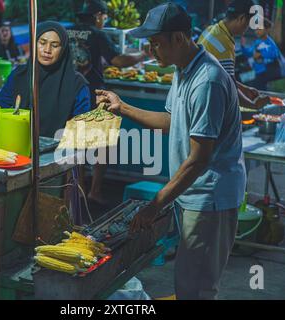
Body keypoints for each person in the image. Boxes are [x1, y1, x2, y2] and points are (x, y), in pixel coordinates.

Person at [96, 3, 246, 300]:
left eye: (155, 44)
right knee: (188, 281)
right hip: (193, 193)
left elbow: (199, 160)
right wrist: (122, 107)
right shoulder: (183, 69)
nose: (151, 51)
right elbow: (171, 121)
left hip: (209, 198)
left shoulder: (207, 81)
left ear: (179, 38)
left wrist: (156, 203)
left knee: (196, 288)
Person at [67, 0, 148, 205]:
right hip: (94, 92)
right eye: (104, 17)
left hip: (71, 92)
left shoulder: (68, 31)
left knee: (77, 144)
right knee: (103, 143)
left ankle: (80, 191)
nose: (104, 21)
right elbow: (118, 60)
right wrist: (143, 55)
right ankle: (94, 191)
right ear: (97, 16)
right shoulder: (97, 33)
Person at [198, 0, 271, 110]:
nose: (247, 29)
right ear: (241, 18)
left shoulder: (213, 30)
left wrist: (244, 89)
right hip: (207, 102)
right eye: (247, 24)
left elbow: (225, 77)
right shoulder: (223, 44)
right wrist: (254, 105)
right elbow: (228, 87)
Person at [241, 17, 281, 90]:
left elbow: (275, 54)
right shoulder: (257, 42)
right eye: (256, 29)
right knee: (241, 80)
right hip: (255, 72)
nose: (257, 31)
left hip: (263, 73)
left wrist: (261, 55)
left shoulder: (270, 43)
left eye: (259, 29)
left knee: (258, 90)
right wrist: (243, 46)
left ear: (267, 30)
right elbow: (249, 53)